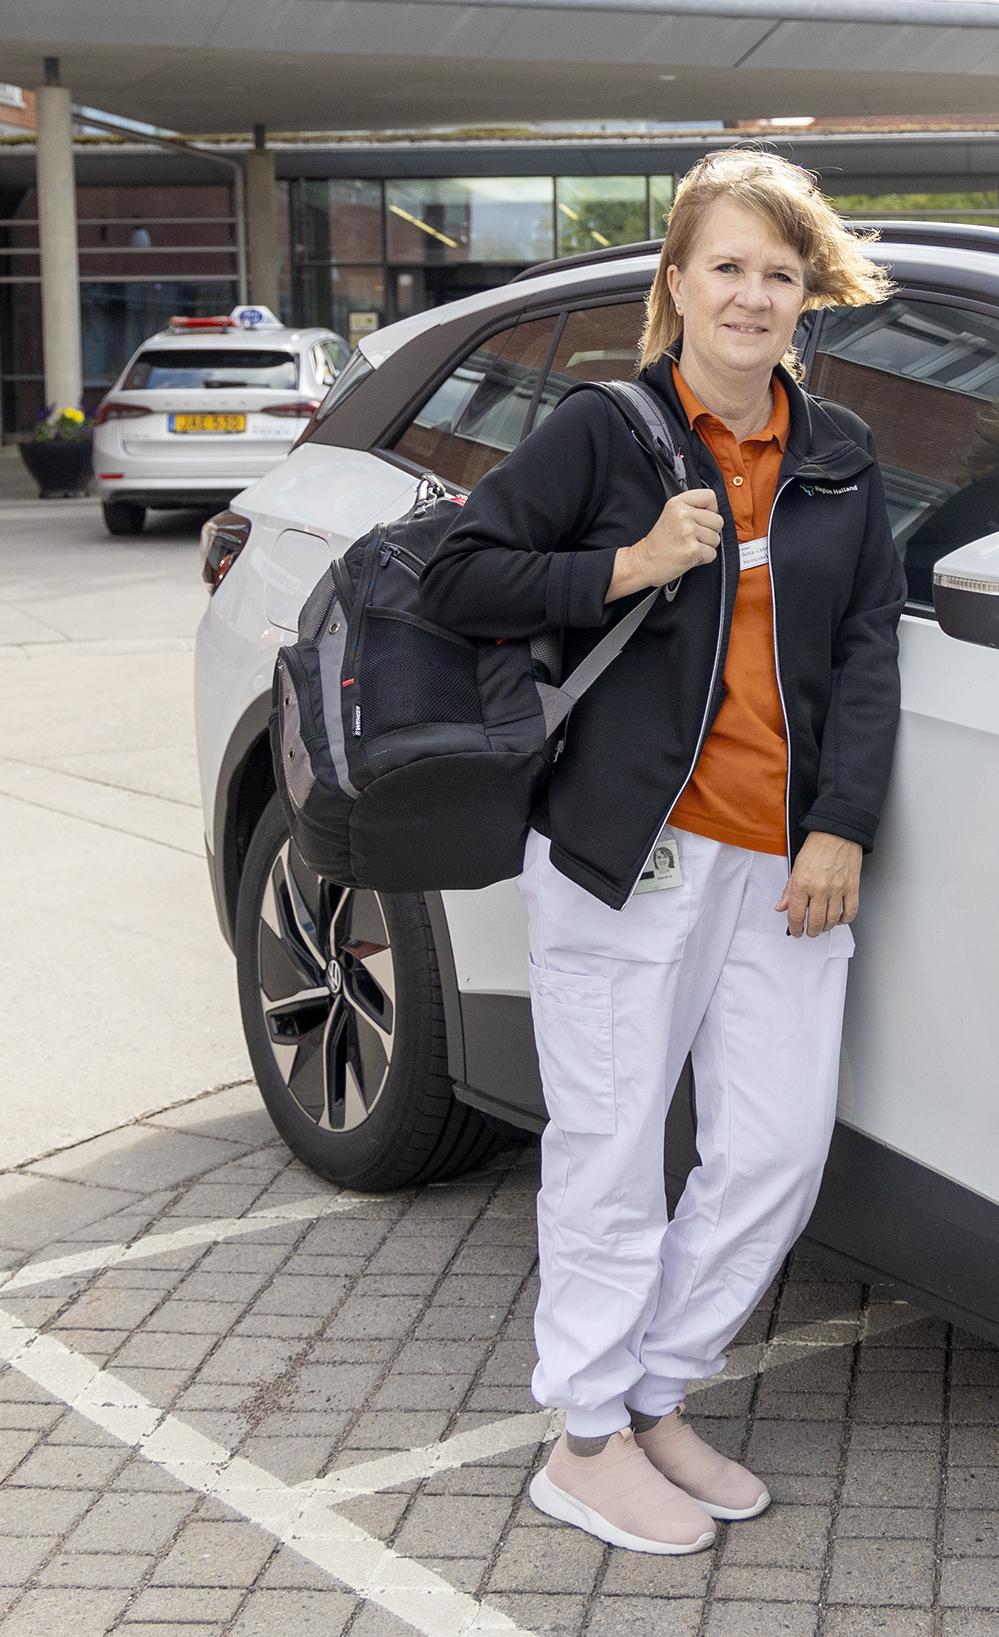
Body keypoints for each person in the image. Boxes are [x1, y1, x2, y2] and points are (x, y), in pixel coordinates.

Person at [418, 150, 900, 1555]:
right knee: (612, 1153)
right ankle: (583, 1438)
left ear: (808, 294)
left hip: (784, 864)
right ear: (677, 282)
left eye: (779, 272)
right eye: (727, 266)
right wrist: (627, 564)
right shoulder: (606, 432)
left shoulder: (838, 450)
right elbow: (458, 577)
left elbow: (867, 645)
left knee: (774, 1152)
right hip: (629, 854)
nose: (752, 295)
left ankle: (652, 1389)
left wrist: (842, 820)